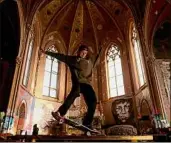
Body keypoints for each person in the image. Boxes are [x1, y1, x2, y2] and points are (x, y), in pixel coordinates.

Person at [41, 44, 102, 130]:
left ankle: (87, 123)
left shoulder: (90, 61)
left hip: (87, 84)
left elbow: (97, 58)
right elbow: (61, 56)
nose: (83, 54)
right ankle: (60, 112)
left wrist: (101, 48)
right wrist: (46, 52)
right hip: (78, 83)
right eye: (82, 52)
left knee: (93, 101)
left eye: (85, 53)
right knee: (73, 94)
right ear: (78, 52)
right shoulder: (73, 60)